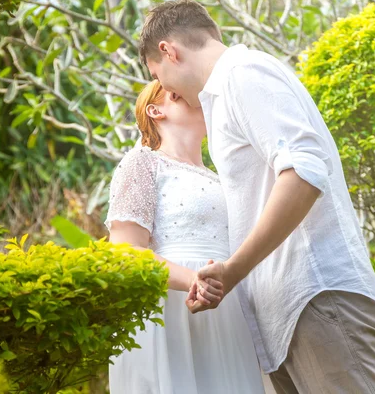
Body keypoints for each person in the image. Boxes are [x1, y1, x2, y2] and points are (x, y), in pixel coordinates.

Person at [138, 0, 375, 393]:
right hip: (287, 320)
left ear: (168, 51)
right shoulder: (223, 97)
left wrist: (233, 269)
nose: (164, 87)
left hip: (316, 299)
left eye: (157, 75)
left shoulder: (243, 74)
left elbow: (304, 172)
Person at [105, 80, 270, 393]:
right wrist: (195, 281)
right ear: (156, 111)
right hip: (170, 309)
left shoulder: (221, 177)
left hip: (227, 310)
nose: (192, 94)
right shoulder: (142, 162)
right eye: (174, 92)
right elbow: (125, 252)